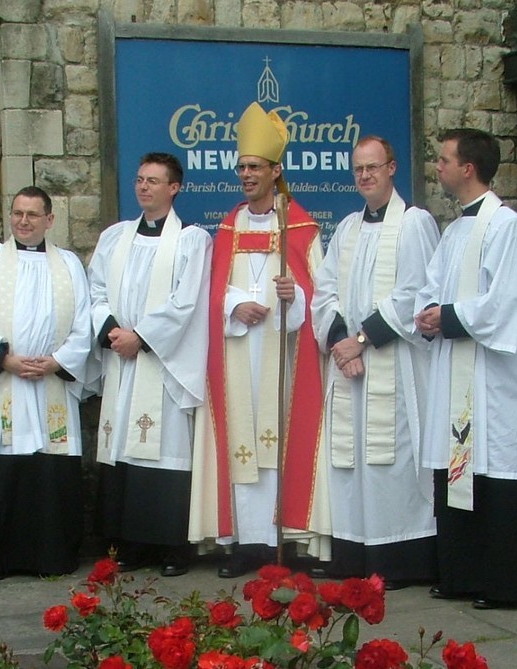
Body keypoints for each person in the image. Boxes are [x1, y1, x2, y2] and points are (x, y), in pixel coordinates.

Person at [414, 128, 517, 609]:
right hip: (459, 369)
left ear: (467, 168)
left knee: (496, 472)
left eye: (444, 159)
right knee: (459, 470)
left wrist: (450, 316)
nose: (438, 167)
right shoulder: (455, 231)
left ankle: (511, 584)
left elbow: (510, 303)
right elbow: (431, 286)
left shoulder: (507, 227)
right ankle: (464, 574)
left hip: (494, 383)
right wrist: (429, 312)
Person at [189, 102, 330, 578]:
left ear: (276, 171)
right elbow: (210, 293)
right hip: (236, 354)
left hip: (281, 356)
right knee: (241, 445)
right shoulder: (227, 228)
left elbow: (321, 293)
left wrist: (298, 298)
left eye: (254, 167)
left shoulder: (302, 226)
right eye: (242, 167)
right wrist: (232, 306)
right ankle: (246, 545)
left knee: (279, 440)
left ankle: (282, 541)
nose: (246, 175)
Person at [0, 185, 93, 580]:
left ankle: (50, 558)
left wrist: (56, 361)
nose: (24, 221)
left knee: (47, 476)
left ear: (50, 220)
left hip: (50, 386)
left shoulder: (69, 265)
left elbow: (84, 326)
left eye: (32, 215)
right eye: (17, 213)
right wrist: (4, 359)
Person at [311, 136, 440, 587]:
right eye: (358, 169)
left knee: (395, 458)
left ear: (392, 167)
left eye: (373, 167)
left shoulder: (415, 223)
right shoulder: (346, 228)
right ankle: (354, 552)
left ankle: (402, 558)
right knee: (351, 461)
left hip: (394, 366)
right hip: (349, 367)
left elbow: (416, 292)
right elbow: (323, 292)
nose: (365, 176)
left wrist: (362, 339)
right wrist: (339, 344)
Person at [88, 152, 211, 577]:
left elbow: (186, 303)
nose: (143, 187)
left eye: (153, 181)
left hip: (162, 365)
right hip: (122, 361)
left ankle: (173, 546)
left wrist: (140, 337)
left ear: (174, 188)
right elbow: (96, 289)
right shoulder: (115, 237)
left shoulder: (192, 240)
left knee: (165, 451)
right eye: (140, 179)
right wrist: (111, 331)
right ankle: (133, 543)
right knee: (123, 446)